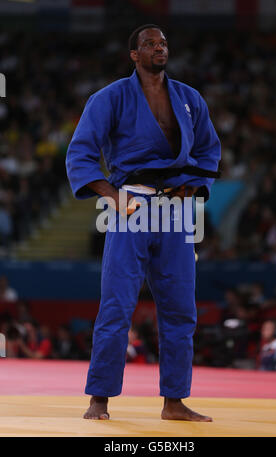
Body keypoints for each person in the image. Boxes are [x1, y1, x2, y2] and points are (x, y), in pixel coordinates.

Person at [66, 24, 221, 421]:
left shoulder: (189, 98)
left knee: (181, 308)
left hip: (176, 212)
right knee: (117, 304)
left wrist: (194, 188)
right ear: (134, 54)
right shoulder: (111, 97)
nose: (159, 48)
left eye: (164, 42)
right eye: (150, 43)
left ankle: (174, 401)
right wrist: (113, 197)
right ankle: (99, 398)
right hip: (130, 205)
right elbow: (81, 153)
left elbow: (208, 150)